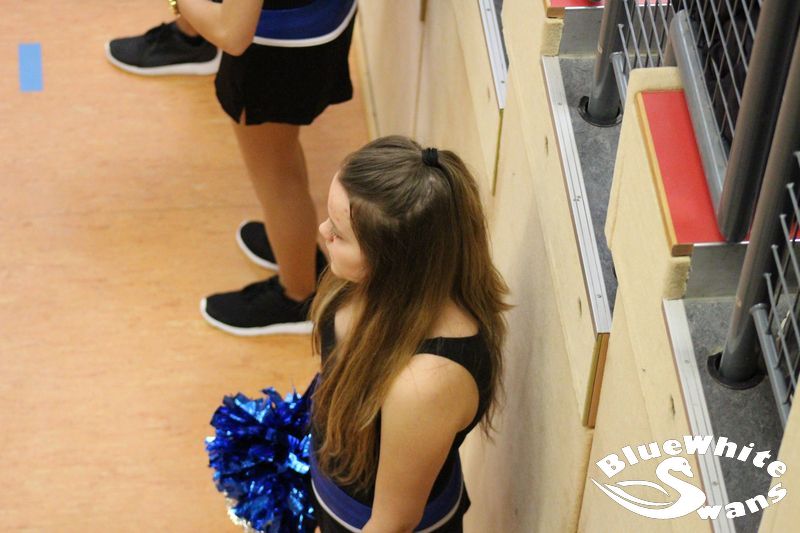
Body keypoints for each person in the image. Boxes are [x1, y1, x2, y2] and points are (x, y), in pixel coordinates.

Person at [107, 0, 358, 336]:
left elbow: (231, 33)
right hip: (320, 21)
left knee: (276, 179)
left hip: (275, 48)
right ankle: (293, 249)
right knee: (282, 156)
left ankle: (297, 295)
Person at [308, 136, 511, 532]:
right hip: (331, 485)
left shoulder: (427, 384)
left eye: (339, 233)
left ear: (392, 263)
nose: (322, 229)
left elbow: (393, 523)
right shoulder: (359, 280)